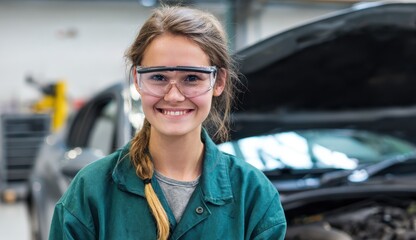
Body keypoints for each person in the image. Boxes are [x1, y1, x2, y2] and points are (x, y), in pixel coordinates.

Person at [49, 5, 286, 240]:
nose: (173, 96)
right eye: (159, 77)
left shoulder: (254, 196)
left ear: (219, 81)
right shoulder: (90, 192)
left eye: (192, 78)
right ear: (137, 80)